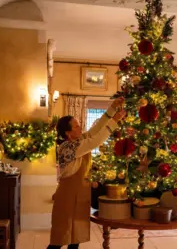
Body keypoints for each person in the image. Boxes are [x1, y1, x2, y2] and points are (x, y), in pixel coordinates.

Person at [47, 97, 126, 249]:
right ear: (68, 133)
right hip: (67, 197)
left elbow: (94, 131)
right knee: (59, 239)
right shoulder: (68, 147)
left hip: (80, 195)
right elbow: (96, 140)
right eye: (76, 126)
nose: (80, 128)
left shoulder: (77, 141)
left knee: (75, 237)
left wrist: (111, 109)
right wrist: (114, 121)